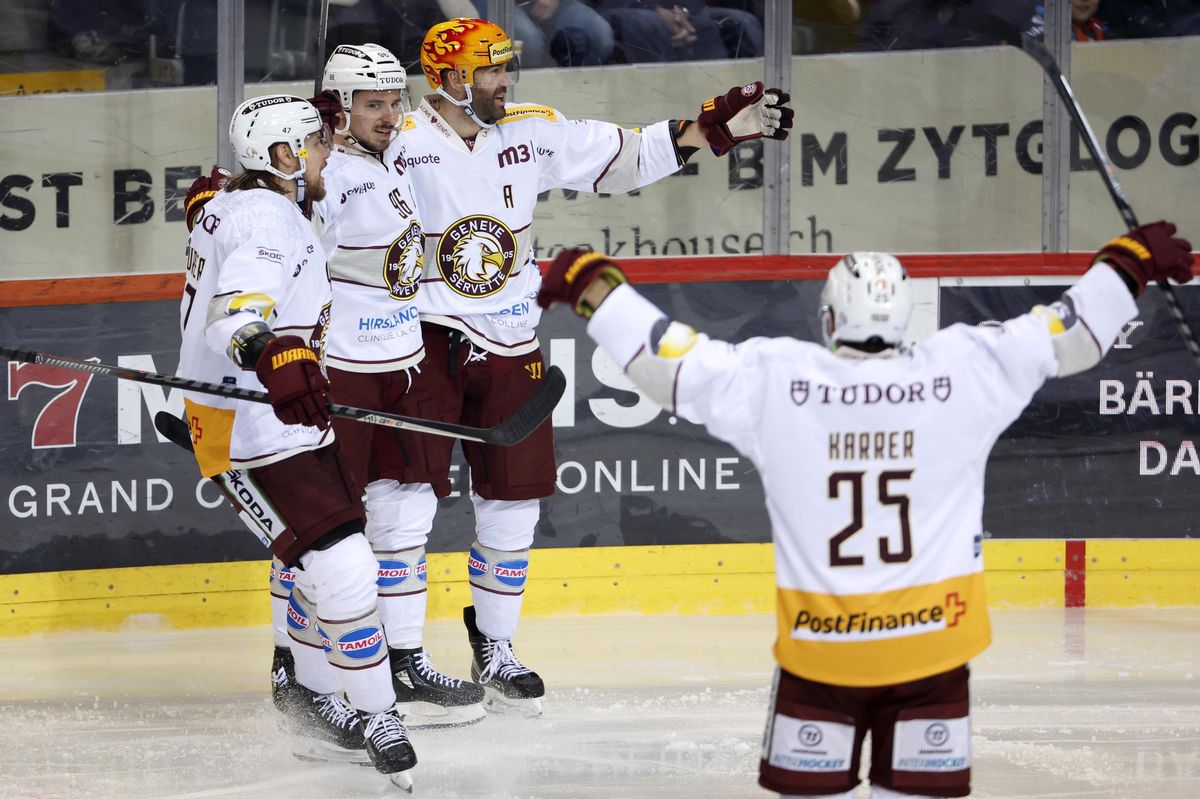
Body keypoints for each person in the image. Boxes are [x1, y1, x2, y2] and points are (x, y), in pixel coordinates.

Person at [535, 221, 1194, 798]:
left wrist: (596, 287)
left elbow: (664, 359)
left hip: (824, 659)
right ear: (903, 317)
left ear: (827, 320)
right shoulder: (965, 369)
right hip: (933, 653)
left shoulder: (778, 379)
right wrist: (1126, 262)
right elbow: (1069, 335)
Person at [390, 16, 792, 715]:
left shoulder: (529, 129)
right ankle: (401, 657)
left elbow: (625, 158)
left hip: (512, 338)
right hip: (423, 338)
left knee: (514, 503)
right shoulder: (396, 140)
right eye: (490, 71)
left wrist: (715, 129)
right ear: (449, 78)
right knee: (405, 503)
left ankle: (496, 643)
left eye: (505, 68)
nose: (505, 81)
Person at [176, 93, 416, 786]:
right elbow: (235, 315)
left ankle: (313, 692)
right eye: (314, 143)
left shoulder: (241, 201)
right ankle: (373, 712)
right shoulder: (264, 220)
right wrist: (272, 352)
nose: (325, 153)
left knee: (321, 565)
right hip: (249, 426)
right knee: (344, 570)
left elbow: (216, 222)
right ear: (281, 158)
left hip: (280, 415)